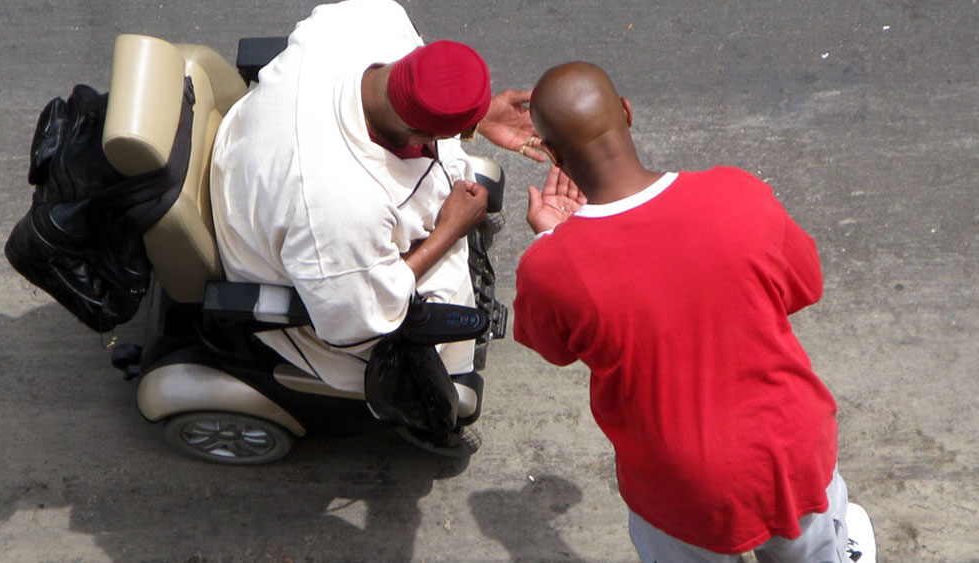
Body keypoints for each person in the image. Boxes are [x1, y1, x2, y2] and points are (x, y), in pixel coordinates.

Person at [513, 61, 873, 562]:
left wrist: (555, 240)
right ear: (626, 113)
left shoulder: (551, 267)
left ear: (550, 153)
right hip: (791, 454)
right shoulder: (738, 193)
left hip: (676, 487)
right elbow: (803, 286)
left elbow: (551, 347)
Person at [209, 0, 542, 409]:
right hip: (281, 256)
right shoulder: (339, 209)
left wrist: (476, 112)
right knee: (438, 334)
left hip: (252, 153)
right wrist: (448, 231)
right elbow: (360, 322)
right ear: (417, 131)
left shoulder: (367, 18)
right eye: (457, 133)